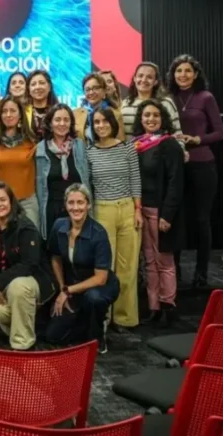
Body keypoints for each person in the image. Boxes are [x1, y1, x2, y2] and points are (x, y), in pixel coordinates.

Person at [167, 54, 223, 288]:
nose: (183, 75)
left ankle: (201, 272)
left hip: (203, 164)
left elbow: (220, 132)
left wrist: (197, 139)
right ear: (173, 75)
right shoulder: (168, 98)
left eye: (187, 71)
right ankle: (174, 271)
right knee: (175, 218)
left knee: (201, 219)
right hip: (176, 165)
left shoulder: (206, 97)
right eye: (179, 71)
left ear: (196, 74)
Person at [45, 184, 120, 354]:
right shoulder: (59, 226)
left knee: (93, 299)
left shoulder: (98, 233)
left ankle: (97, 337)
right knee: (53, 336)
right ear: (65, 205)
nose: (76, 207)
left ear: (88, 205)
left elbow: (100, 278)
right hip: (73, 285)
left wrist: (68, 291)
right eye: (71, 203)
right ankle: (85, 324)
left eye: (80, 202)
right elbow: (55, 258)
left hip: (99, 286)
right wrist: (62, 288)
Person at [86, 108, 142, 331]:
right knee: (105, 268)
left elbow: (135, 180)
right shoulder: (89, 152)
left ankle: (125, 318)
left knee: (128, 268)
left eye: (104, 121)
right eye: (96, 122)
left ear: (112, 123)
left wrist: (138, 210)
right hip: (102, 211)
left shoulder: (127, 148)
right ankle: (105, 318)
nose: (101, 126)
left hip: (128, 209)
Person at [0, 182, 56, 350]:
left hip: (34, 279)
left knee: (18, 287)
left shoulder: (25, 227)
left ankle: (22, 345)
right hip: (5, 281)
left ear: (11, 201)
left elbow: (29, 264)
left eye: (2, 200)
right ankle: (21, 326)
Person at [133, 99, 184, 326]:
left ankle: (168, 306)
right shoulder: (137, 144)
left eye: (155, 115)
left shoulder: (169, 145)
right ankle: (153, 307)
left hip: (161, 212)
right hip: (140, 210)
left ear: (163, 118)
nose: (151, 119)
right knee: (149, 261)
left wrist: (167, 215)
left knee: (164, 261)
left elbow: (176, 182)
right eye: (146, 115)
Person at [35, 104, 91, 239]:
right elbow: (39, 186)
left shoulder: (79, 145)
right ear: (50, 123)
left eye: (66, 120)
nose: (62, 123)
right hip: (52, 210)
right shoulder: (40, 149)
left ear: (71, 123)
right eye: (57, 119)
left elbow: (87, 180)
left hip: (77, 209)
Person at [0, 96, 39, 227]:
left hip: (27, 203)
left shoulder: (31, 140)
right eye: (4, 111)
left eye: (13, 111)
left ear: (20, 115)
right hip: (0, 203)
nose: (8, 115)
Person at [120, 62, 183, 139]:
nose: (144, 80)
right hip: (131, 147)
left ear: (155, 81)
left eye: (149, 77)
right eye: (140, 76)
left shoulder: (166, 103)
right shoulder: (124, 104)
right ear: (134, 78)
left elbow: (177, 134)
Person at [74, 72, 125, 142]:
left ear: (104, 91)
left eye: (95, 88)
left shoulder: (115, 114)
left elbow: (121, 142)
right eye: (87, 89)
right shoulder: (76, 114)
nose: (91, 92)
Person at [26, 70, 58, 139]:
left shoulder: (58, 111)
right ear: (28, 89)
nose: (37, 87)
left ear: (49, 87)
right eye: (33, 84)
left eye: (41, 83)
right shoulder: (23, 112)